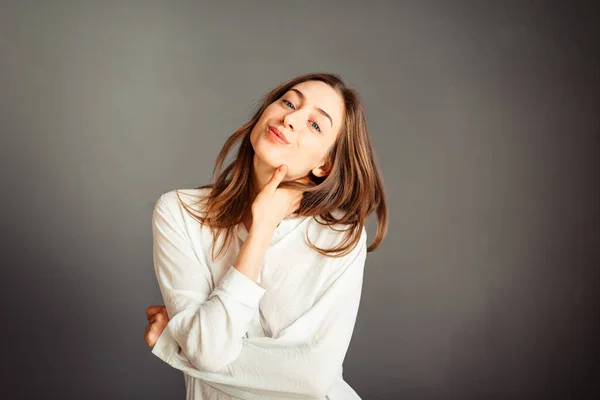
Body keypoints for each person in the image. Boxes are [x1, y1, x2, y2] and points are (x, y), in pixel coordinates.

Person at [144, 72, 388, 399]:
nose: (290, 118)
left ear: (325, 165)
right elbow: (210, 351)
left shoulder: (338, 238)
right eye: (288, 102)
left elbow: (312, 378)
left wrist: (177, 346)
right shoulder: (180, 213)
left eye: (315, 125)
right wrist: (261, 229)